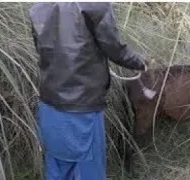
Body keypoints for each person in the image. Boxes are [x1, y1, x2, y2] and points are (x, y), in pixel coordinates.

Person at [29, 2, 147, 180]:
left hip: (49, 105)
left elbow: (42, 50)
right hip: (82, 110)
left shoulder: (38, 8)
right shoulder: (95, 6)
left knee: (57, 167)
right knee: (89, 171)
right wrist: (141, 62)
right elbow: (115, 49)